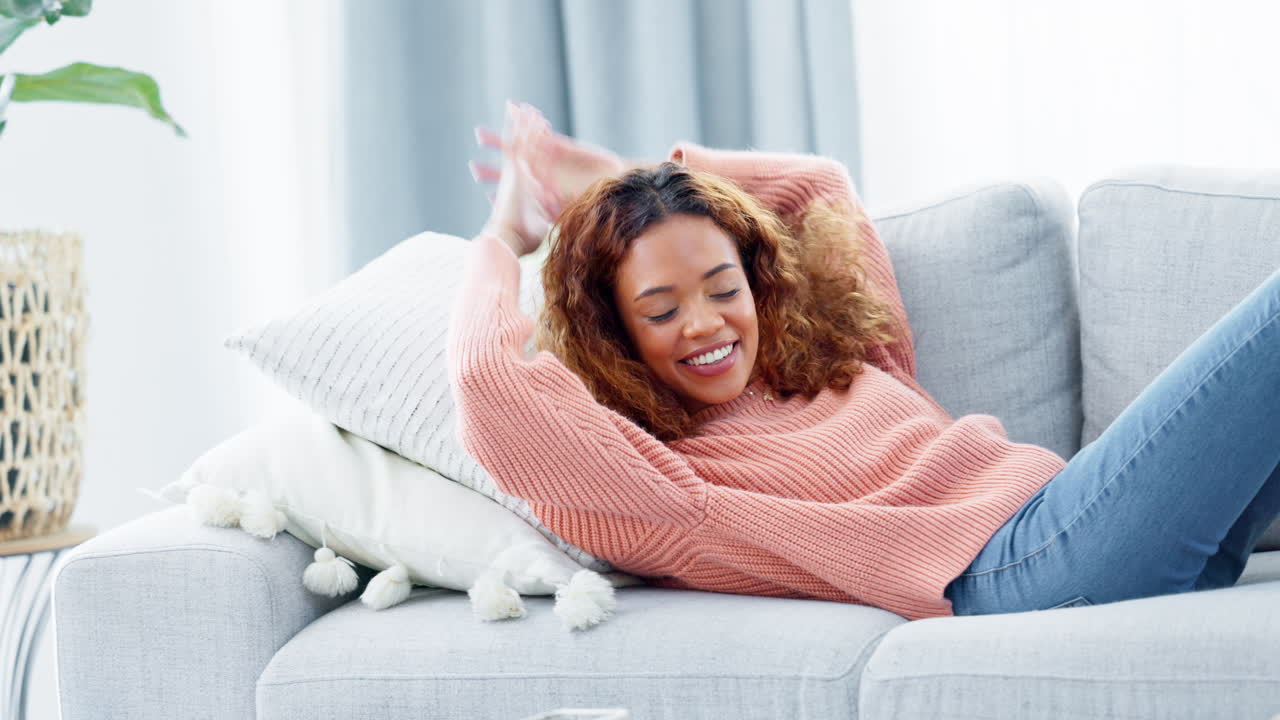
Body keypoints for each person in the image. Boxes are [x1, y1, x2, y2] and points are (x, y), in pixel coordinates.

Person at [449, 101, 1280, 619]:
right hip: (1020, 570)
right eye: (661, 311)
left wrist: (631, 181)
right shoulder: (659, 476)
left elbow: (815, 185)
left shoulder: (841, 350)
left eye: (723, 288)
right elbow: (489, 384)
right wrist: (504, 235)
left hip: (1076, 523)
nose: (704, 325)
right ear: (616, 330)